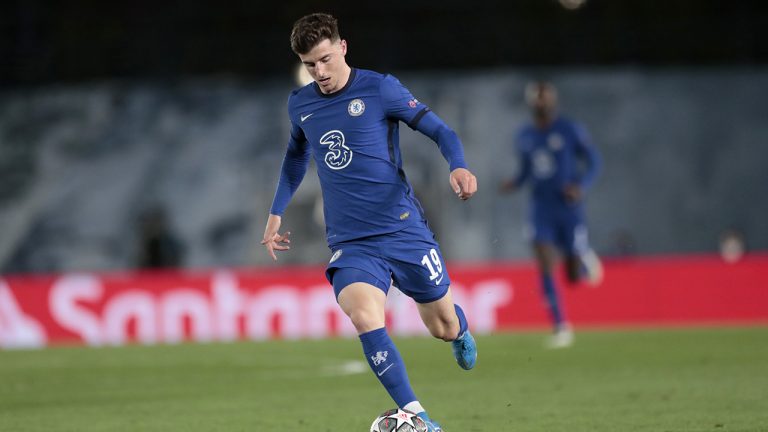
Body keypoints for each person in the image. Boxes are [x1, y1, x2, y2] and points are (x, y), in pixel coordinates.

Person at [261, 13, 478, 432]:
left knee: (442, 325)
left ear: (342, 47)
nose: (319, 72)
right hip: (352, 242)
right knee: (364, 315)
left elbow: (440, 130)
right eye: (310, 65)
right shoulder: (301, 103)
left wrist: (458, 166)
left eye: (324, 59)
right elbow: (294, 158)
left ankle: (460, 329)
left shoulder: (380, 88)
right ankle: (418, 417)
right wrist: (274, 214)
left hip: (402, 229)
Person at [499, 81, 602, 349]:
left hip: (568, 208)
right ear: (532, 103)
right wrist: (514, 182)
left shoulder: (569, 130)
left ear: (553, 101)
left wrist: (581, 186)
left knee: (572, 276)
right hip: (541, 208)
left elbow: (594, 160)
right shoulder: (525, 136)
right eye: (537, 99)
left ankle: (583, 257)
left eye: (545, 98)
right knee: (544, 260)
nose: (542, 103)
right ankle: (560, 326)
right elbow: (527, 171)